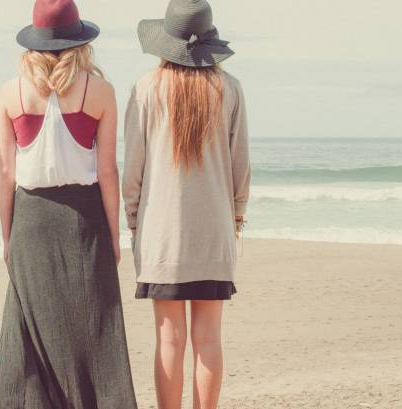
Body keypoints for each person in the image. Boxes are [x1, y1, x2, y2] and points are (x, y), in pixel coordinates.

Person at [0, 0, 138, 408]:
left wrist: (9, 234)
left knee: (28, 331)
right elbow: (107, 172)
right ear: (79, 41)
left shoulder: (10, 92)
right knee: (92, 329)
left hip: (31, 217)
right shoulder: (98, 90)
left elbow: (6, 174)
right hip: (83, 218)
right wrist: (115, 233)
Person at [122, 1, 251, 408]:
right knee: (209, 338)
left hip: (162, 232)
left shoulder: (147, 88)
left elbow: (134, 168)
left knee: (168, 339)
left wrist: (133, 220)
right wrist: (237, 215)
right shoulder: (229, 88)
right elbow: (240, 165)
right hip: (214, 230)